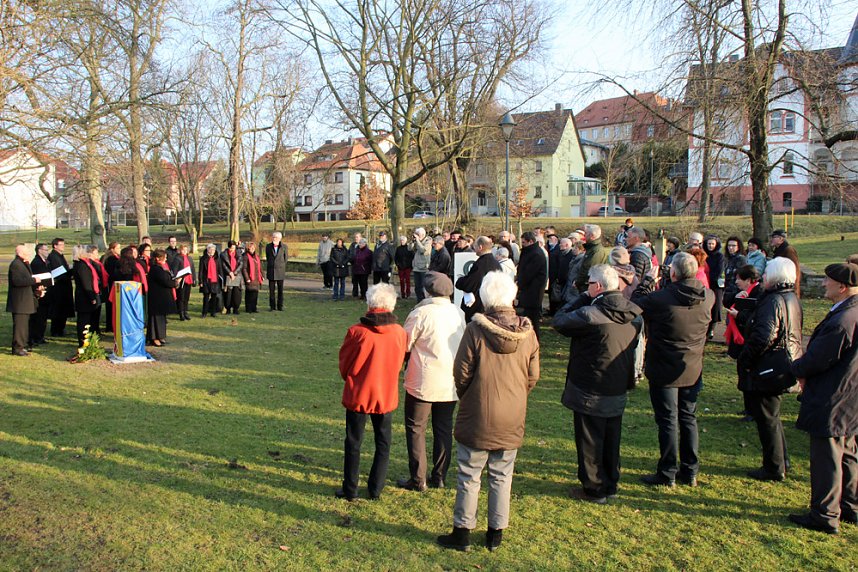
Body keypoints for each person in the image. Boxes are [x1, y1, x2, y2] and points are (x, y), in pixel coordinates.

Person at [437, 272, 539, 552]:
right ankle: (495, 532)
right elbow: (532, 376)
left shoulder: (477, 330)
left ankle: (463, 531)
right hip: (509, 414)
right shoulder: (526, 335)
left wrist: (471, 396)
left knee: (469, 474)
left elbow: (461, 372)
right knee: (501, 476)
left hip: (478, 413)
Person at [553, 265, 642, 503]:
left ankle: (594, 488)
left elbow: (559, 321)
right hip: (617, 383)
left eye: (589, 283)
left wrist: (582, 297)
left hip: (590, 385)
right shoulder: (633, 315)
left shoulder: (590, 315)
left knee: (590, 440)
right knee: (612, 436)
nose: (586, 286)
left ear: (599, 286)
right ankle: (610, 482)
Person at [632, 252, 714, 487]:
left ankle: (667, 471)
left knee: (668, 420)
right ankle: (690, 471)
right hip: (692, 364)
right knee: (688, 417)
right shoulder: (707, 296)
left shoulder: (661, 299)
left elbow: (636, 303)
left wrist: (647, 281)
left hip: (664, 367)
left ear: (674, 273)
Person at [788, 263, 858, 534]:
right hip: (849, 395)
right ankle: (850, 505)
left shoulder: (843, 320)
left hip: (833, 395)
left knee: (827, 455)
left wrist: (797, 368)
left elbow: (819, 358)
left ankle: (825, 514)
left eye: (828, 281)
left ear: (842, 287)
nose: (823, 284)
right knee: (848, 451)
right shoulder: (849, 311)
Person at [336, 283, 407, 501]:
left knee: (354, 441)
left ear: (369, 303)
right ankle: (376, 488)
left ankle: (350, 489)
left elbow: (345, 364)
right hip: (385, 392)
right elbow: (399, 362)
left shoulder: (357, 332)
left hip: (360, 391)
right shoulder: (399, 332)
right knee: (383, 441)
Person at [397, 272, 465, 492]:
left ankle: (418, 478)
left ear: (427, 291)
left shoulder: (421, 313)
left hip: (423, 380)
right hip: (450, 380)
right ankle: (439, 475)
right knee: (443, 428)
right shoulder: (458, 312)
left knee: (416, 428)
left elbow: (404, 344)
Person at [737, 257, 802, 482]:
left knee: (766, 418)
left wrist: (746, 359)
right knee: (772, 416)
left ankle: (773, 467)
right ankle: (781, 460)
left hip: (769, 366)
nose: (762, 278)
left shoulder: (773, 301)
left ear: (773, 277)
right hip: (784, 362)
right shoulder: (790, 297)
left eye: (766, 275)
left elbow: (764, 336)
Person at [724, 265, 763, 422]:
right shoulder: (739, 291)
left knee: (749, 374)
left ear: (748, 280)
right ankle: (748, 408)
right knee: (742, 373)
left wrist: (739, 315)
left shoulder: (759, 293)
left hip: (749, 340)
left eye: (740, 279)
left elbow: (756, 317)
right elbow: (726, 300)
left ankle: (753, 411)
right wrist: (736, 296)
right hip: (739, 339)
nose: (736, 281)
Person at [455, 236, 501, 323]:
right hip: (492, 303)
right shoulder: (496, 263)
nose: (473, 248)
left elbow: (471, 284)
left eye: (475, 246)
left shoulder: (481, 264)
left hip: (479, 306)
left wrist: (460, 281)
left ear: (480, 247)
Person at [7, 244, 43, 356]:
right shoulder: (16, 265)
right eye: (26, 252)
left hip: (25, 300)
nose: (29, 254)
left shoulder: (24, 263)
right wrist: (33, 280)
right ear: (20, 253)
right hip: (19, 301)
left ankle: (22, 345)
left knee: (24, 325)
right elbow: (17, 281)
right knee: (20, 326)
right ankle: (17, 348)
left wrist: (37, 288)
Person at [516, 231, 547, 340]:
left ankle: (534, 340)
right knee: (528, 317)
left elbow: (528, 273)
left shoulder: (536, 254)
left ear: (531, 241)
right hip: (529, 290)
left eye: (524, 242)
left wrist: (519, 283)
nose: (522, 244)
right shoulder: (530, 252)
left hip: (533, 291)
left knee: (533, 318)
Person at [72, 245, 102, 348]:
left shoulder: (84, 264)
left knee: (87, 320)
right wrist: (92, 297)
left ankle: (87, 340)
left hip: (86, 295)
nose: (87, 252)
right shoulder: (81, 265)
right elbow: (86, 283)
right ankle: (83, 341)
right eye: (85, 251)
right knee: (84, 320)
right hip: (84, 297)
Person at [146, 249, 177, 347]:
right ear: (158, 258)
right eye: (164, 257)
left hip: (161, 297)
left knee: (161, 318)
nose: (166, 259)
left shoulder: (160, 268)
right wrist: (175, 283)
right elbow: (165, 281)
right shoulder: (155, 269)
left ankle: (160, 336)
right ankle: (154, 338)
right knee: (155, 318)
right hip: (157, 298)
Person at [47, 237, 74, 337]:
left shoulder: (60, 255)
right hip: (58, 287)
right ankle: (56, 330)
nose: (63, 246)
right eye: (61, 245)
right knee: (58, 309)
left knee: (63, 309)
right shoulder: (53, 256)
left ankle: (61, 328)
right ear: (55, 246)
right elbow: (58, 272)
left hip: (64, 285)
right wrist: (69, 272)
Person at [575, 224, 610, 292]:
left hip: (589, 287)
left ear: (592, 236)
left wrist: (578, 282)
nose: (584, 235)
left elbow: (589, 269)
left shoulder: (596, 251)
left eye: (586, 233)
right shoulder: (591, 248)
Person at [703, 235, 725, 340]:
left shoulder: (719, 256)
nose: (710, 246)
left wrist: (710, 277)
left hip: (715, 284)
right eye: (709, 244)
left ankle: (712, 328)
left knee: (715, 308)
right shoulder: (704, 255)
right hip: (705, 283)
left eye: (712, 244)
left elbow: (719, 271)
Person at [28, 243, 51, 346]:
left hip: (45, 292)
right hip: (39, 292)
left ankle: (40, 336)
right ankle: (36, 337)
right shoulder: (36, 262)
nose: (47, 251)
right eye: (45, 250)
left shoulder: (45, 261)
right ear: (39, 251)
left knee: (43, 317)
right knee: (38, 317)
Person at [771, 230, 800, 298]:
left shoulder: (789, 250)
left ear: (781, 239)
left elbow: (795, 267)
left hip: (788, 283)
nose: (771, 239)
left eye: (774, 237)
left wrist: (794, 284)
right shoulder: (778, 250)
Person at [723, 236, 749, 308]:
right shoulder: (728, 259)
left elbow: (742, 276)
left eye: (733, 246)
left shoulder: (741, 259)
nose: (731, 248)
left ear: (738, 247)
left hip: (737, 290)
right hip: (728, 290)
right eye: (729, 245)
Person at [198, 244, 223, 318]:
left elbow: (220, 270)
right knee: (206, 297)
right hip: (206, 280)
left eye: (213, 250)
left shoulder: (217, 259)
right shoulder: (203, 259)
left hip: (215, 281)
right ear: (207, 250)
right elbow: (201, 271)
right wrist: (200, 281)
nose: (212, 251)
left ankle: (213, 312)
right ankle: (204, 312)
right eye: (211, 249)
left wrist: (222, 281)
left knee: (214, 297)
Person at [266, 232, 289, 311]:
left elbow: (285, 259)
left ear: (279, 238)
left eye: (275, 237)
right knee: (271, 291)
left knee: (280, 290)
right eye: (273, 237)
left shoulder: (284, 247)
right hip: (271, 271)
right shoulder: (268, 246)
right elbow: (268, 258)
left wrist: (281, 265)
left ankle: (280, 306)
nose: (273, 238)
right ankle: (272, 307)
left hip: (280, 271)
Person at [220, 240, 244, 314]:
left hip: (237, 275)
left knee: (236, 293)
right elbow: (223, 265)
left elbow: (241, 264)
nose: (233, 250)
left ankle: (236, 308)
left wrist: (235, 272)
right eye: (231, 248)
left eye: (234, 248)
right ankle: (228, 308)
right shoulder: (223, 255)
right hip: (228, 275)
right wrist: (230, 273)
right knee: (228, 293)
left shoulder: (239, 253)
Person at [102, 242, 121, 333]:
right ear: (112, 249)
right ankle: (110, 325)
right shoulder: (111, 259)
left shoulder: (115, 258)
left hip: (112, 283)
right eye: (118, 248)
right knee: (111, 303)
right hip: (111, 283)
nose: (119, 250)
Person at [410, 228, 433, 302]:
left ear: (423, 235)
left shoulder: (428, 241)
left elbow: (423, 250)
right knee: (417, 287)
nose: (416, 236)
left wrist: (417, 241)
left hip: (424, 268)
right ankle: (419, 301)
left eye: (418, 234)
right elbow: (409, 249)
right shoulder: (417, 241)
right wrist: (412, 241)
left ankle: (425, 301)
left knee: (424, 287)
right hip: (416, 267)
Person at [174, 245, 195, 321]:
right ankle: (181, 313)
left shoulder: (190, 258)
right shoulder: (177, 258)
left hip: (188, 280)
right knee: (181, 298)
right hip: (181, 280)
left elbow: (192, 269)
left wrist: (194, 279)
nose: (185, 251)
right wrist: (177, 278)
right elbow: (175, 269)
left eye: (186, 249)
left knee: (186, 298)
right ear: (180, 250)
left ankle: (186, 312)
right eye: (183, 250)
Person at [242, 242, 263, 313]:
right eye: (251, 247)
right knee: (249, 294)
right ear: (248, 248)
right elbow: (244, 268)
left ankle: (254, 308)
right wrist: (247, 278)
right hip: (250, 278)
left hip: (256, 278)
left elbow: (260, 267)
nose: (253, 249)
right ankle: (248, 308)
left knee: (255, 294)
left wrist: (262, 275)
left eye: (254, 247)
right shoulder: (245, 256)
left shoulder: (256, 256)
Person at [349, 232, 364, 298]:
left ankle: (363, 294)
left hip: (361, 266)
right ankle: (355, 294)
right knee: (354, 281)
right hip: (354, 265)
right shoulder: (352, 245)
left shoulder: (363, 245)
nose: (356, 238)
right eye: (355, 237)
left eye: (357, 237)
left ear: (360, 237)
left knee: (361, 281)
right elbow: (349, 253)